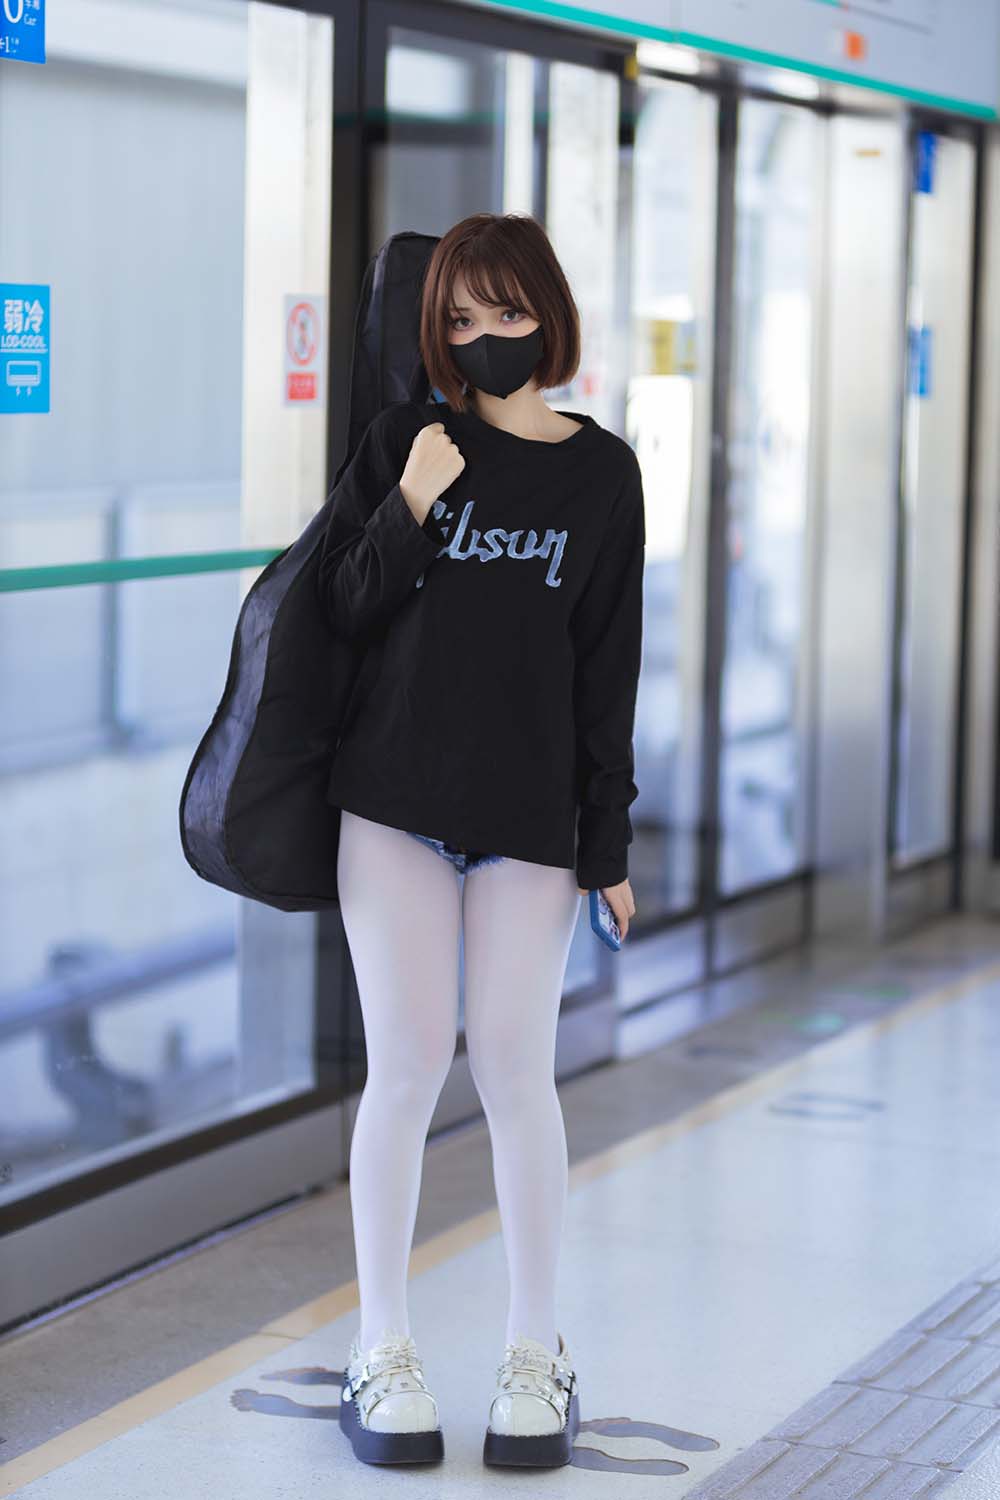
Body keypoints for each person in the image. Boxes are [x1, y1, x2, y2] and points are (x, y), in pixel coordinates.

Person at [319, 212, 645, 1469]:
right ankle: (381, 1346)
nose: (484, 338)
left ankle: (532, 1352)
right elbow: (342, 611)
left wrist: (607, 843)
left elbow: (606, 669)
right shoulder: (408, 443)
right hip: (394, 804)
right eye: (459, 320)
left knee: (515, 1073)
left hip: (529, 822)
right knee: (404, 1071)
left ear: (547, 317)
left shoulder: (602, 474)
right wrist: (410, 503)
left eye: (506, 313)